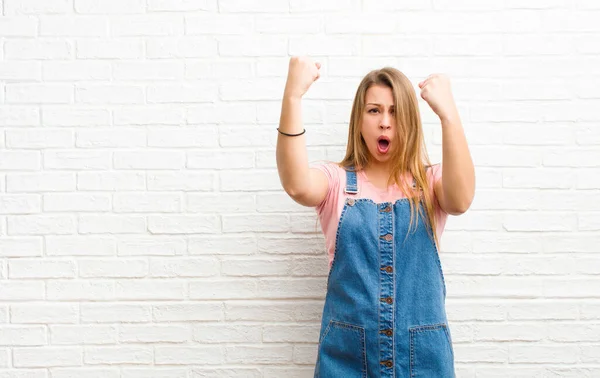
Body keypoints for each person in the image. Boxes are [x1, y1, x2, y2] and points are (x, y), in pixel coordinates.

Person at [276, 56, 475, 377]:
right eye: (374, 110)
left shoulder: (432, 184)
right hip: (347, 359)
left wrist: (448, 114)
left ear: (410, 120)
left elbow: (461, 199)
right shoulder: (336, 182)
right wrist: (292, 96)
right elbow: (298, 186)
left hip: (422, 360)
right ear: (359, 121)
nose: (385, 122)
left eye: (395, 112)